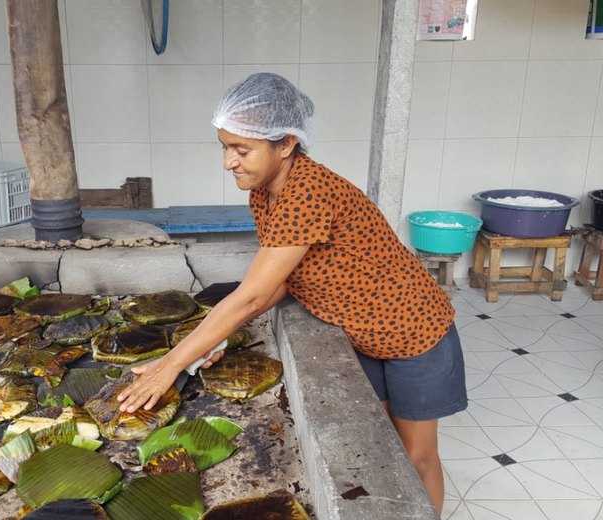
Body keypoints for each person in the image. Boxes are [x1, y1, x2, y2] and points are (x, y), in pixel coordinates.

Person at [117, 72, 467, 514]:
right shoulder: (266, 191)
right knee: (383, 446)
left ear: (285, 144)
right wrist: (216, 336)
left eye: (241, 149)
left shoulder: (308, 191)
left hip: (413, 333)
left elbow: (250, 295)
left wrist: (170, 365)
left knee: (416, 456)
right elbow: (276, 281)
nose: (229, 162)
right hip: (361, 333)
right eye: (225, 147)